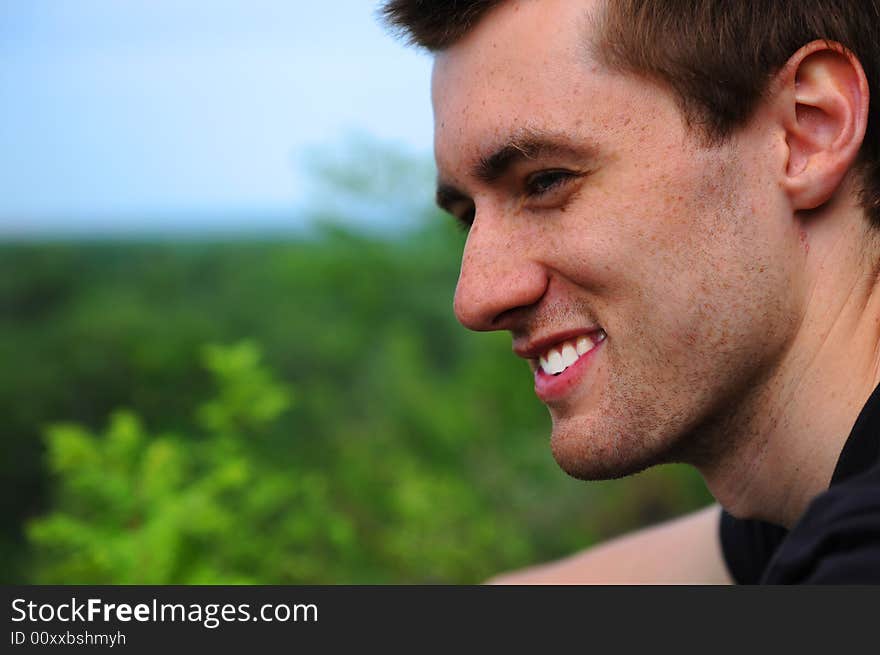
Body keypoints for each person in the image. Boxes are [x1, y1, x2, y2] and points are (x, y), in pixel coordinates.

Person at [381, 0, 880, 583]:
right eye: (468, 216)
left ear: (807, 130)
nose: (477, 298)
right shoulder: (810, 506)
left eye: (545, 181)